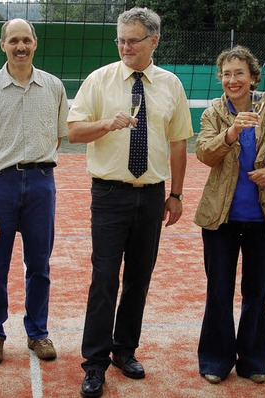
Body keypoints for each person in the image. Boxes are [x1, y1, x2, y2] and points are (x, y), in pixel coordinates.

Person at [67, 7, 193, 397]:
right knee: (104, 280)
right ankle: (95, 363)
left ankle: (125, 351)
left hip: (153, 196)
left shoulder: (170, 84)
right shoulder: (99, 80)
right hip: (108, 194)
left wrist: (175, 194)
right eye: (120, 39)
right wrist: (107, 123)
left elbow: (178, 143)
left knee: (139, 278)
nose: (125, 46)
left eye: (133, 40)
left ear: (154, 40)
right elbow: (72, 132)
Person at [0, 18, 68, 365]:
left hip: (42, 182)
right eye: (14, 40)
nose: (20, 46)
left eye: (26, 40)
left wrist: (34, 163)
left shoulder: (53, 86)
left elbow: (57, 135)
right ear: (3, 45)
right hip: (0, 184)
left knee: (39, 264)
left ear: (35, 43)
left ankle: (38, 332)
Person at [195, 46, 265, 385]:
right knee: (219, 291)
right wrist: (232, 132)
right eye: (226, 74)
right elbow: (205, 153)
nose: (232, 80)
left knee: (256, 291)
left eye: (239, 73)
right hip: (220, 219)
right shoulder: (212, 114)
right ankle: (216, 359)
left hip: (261, 220)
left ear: (252, 78)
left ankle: (252, 360)